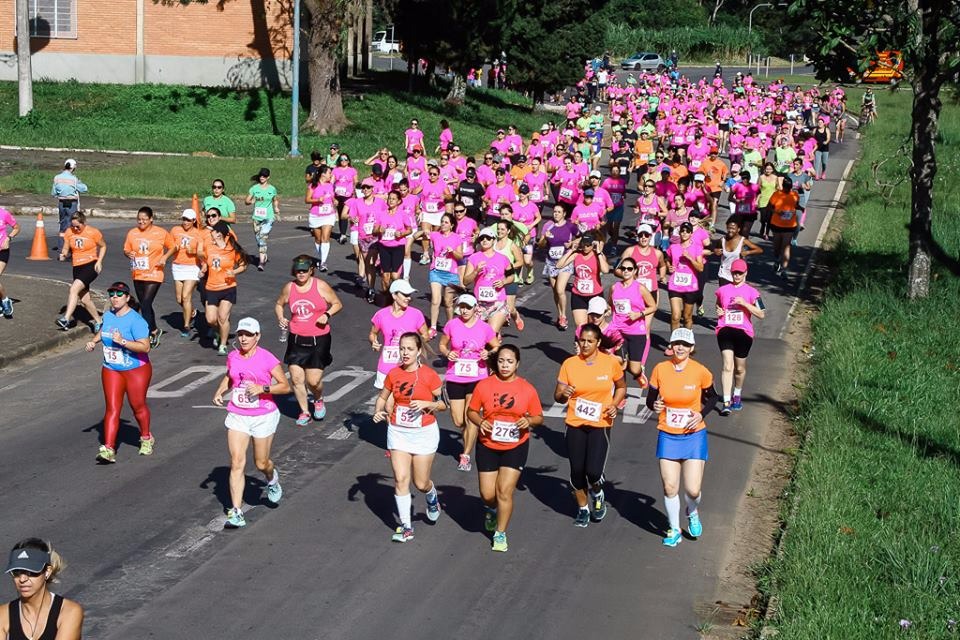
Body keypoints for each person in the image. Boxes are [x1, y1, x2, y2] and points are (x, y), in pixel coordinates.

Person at [213, 317, 291, 529]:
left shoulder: (267, 359)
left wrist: (263, 389)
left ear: (257, 336)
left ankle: (272, 479)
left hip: (263, 415)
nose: (243, 338)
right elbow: (231, 377)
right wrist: (220, 391)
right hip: (238, 415)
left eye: (248, 335)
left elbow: (285, 386)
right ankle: (236, 511)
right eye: (240, 334)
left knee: (260, 463)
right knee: (237, 462)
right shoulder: (233, 356)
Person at [645, 328, 719, 547]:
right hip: (668, 434)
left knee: (693, 490)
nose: (680, 348)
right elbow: (651, 400)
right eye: (677, 343)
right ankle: (674, 529)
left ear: (691, 348)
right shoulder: (660, 369)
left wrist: (700, 414)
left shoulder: (700, 372)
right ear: (671, 345)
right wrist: (654, 405)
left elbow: (713, 398)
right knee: (670, 487)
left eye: (685, 345)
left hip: (694, 435)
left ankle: (692, 511)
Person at [467, 344, 544, 552]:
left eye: (509, 361)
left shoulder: (527, 389)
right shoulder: (484, 385)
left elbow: (538, 416)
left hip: (515, 446)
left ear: (517, 364)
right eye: (501, 361)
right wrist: (480, 421)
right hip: (488, 444)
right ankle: (491, 510)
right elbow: (472, 411)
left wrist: (529, 422)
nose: (504, 365)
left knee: (504, 491)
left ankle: (500, 533)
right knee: (487, 494)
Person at [372, 332, 446, 543]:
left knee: (420, 483)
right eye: (402, 349)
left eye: (409, 349)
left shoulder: (429, 376)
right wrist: (378, 411)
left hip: (424, 433)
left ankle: (431, 496)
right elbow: (382, 397)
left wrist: (428, 404)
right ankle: (406, 526)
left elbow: (444, 404)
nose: (405, 353)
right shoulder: (394, 374)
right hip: (398, 432)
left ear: (419, 351)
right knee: (401, 479)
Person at [554, 323, 627, 527]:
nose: (584, 345)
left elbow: (621, 387)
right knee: (577, 471)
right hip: (575, 423)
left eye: (589, 341)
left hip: (600, 422)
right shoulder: (570, 364)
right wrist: (563, 394)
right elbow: (558, 395)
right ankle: (583, 509)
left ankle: (597, 492)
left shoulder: (610, 363)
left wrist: (614, 405)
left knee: (593, 472)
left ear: (598, 343)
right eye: (582, 341)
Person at [84, 281, 153, 463]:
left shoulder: (137, 321)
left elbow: (145, 347)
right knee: (112, 409)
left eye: (119, 294)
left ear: (128, 298)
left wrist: (123, 341)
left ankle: (146, 437)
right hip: (111, 369)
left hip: (136, 369)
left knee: (137, 406)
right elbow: (103, 331)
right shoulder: (108, 316)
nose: (115, 297)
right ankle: (109, 448)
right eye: (112, 294)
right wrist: (94, 341)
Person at [276, 255, 343, 426]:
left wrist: (327, 315)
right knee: (297, 379)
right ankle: (304, 412)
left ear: (311, 270)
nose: (301, 274)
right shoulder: (289, 288)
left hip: (318, 339)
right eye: (298, 271)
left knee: (313, 381)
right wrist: (281, 317)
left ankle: (318, 399)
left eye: (304, 270)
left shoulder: (320, 286)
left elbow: (337, 303)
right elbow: (279, 303)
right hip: (296, 338)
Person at [439, 293, 500, 473]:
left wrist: (488, 354)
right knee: (459, 421)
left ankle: (465, 454)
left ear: (476, 309)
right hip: (456, 375)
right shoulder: (452, 325)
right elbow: (442, 345)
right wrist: (447, 353)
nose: (464, 310)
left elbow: (496, 346)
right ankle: (470, 435)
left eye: (467, 307)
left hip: (478, 376)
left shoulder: (484, 328)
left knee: (471, 417)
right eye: (461, 307)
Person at [1, 538, 84, 639]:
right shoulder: (3, 615)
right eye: (16, 572)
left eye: (31, 572)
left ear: (47, 572)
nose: (22, 579)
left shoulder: (69, 611)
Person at [715, 259, 765, 415]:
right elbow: (718, 304)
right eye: (734, 272)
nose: (737, 275)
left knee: (739, 369)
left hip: (744, 333)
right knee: (727, 366)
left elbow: (761, 314)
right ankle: (726, 401)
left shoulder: (753, 292)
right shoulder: (723, 290)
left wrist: (745, 304)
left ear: (745, 273)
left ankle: (737, 394)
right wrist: (719, 311)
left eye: (740, 273)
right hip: (725, 329)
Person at [123, 206, 175, 348]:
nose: (141, 222)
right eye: (139, 220)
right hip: (138, 272)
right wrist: (129, 254)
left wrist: (164, 257)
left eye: (144, 220)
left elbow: (173, 246)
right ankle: (154, 330)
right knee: (146, 304)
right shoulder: (132, 233)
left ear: (151, 219)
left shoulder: (161, 233)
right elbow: (126, 249)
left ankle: (149, 332)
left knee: (145, 303)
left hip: (154, 272)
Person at [369, 279, 431, 389]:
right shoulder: (381, 315)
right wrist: (374, 342)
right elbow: (373, 333)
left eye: (409, 295)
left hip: (409, 367)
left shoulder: (416, 314)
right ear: (394, 295)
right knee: (386, 404)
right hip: (386, 366)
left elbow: (426, 335)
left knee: (405, 403)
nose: (409, 298)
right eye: (405, 295)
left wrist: (414, 345)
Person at [202, 221, 250, 355]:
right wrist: (203, 268)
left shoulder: (231, 249)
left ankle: (223, 344)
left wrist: (234, 272)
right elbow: (206, 261)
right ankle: (219, 332)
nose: (211, 234)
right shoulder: (209, 247)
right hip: (211, 288)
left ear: (220, 234)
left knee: (223, 317)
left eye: (214, 232)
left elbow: (243, 265)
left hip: (228, 287)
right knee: (211, 319)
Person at [609, 256, 657, 388]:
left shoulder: (640, 288)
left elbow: (653, 306)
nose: (626, 271)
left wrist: (639, 314)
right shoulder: (614, 287)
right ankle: (620, 394)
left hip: (636, 331)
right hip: (618, 330)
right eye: (623, 268)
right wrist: (607, 311)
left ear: (635, 271)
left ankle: (638, 374)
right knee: (619, 364)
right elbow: (610, 305)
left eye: (629, 269)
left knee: (634, 368)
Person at [57, 212, 105, 332]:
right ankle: (99, 321)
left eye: (78, 226)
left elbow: (103, 246)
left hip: (90, 265)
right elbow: (66, 247)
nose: (75, 229)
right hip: (77, 267)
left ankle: (66, 319)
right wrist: (63, 254)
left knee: (73, 289)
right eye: (73, 226)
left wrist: (99, 261)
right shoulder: (69, 232)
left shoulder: (93, 232)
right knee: (84, 299)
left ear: (84, 223)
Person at [463, 227, 514, 335]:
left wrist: (504, 282)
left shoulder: (503, 258)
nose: (485, 240)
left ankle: (496, 335)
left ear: (493, 240)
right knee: (479, 334)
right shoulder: (473, 258)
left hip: (498, 302)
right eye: (482, 238)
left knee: (491, 333)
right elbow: (466, 281)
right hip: (480, 303)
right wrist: (476, 271)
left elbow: (511, 277)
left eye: (488, 238)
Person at [422, 212, 463, 336]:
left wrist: (453, 252)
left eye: (446, 222)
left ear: (451, 225)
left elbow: (460, 256)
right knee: (435, 300)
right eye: (442, 222)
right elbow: (423, 234)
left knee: (448, 303)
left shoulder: (457, 238)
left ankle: (450, 326)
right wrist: (420, 232)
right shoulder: (435, 235)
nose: (443, 224)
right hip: (436, 272)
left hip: (450, 273)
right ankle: (433, 327)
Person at [538, 204, 578, 330]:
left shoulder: (570, 226)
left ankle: (564, 316)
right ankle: (560, 314)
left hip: (565, 261)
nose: (556, 214)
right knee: (555, 291)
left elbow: (581, 236)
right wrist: (545, 237)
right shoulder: (548, 226)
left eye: (559, 212)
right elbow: (540, 244)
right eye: (554, 211)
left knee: (561, 290)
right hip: (551, 262)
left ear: (564, 214)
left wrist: (572, 243)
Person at [556, 233, 609, 327]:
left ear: (593, 244)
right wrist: (570, 251)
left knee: (595, 326)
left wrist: (599, 252)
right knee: (581, 326)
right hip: (578, 295)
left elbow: (605, 270)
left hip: (595, 295)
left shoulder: (598, 256)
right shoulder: (577, 254)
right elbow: (559, 265)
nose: (585, 247)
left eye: (588, 245)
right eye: (584, 244)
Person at [170, 208, 204, 337]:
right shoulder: (175, 230)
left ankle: (186, 325)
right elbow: (170, 245)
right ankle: (193, 313)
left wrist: (193, 252)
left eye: (188, 220)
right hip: (178, 266)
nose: (185, 222)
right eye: (184, 219)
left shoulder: (198, 234)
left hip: (192, 267)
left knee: (186, 296)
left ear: (194, 221)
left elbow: (202, 252)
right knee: (179, 299)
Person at [666, 222, 704, 331]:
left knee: (687, 317)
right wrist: (669, 267)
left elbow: (700, 268)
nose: (684, 233)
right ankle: (674, 343)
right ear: (679, 232)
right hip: (675, 285)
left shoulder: (697, 248)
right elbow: (667, 260)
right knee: (675, 317)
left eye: (687, 231)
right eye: (682, 231)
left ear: (691, 233)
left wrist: (690, 258)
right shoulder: (673, 247)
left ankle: (687, 340)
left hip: (690, 287)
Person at [245, 167, 279, 270]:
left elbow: (275, 200)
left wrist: (276, 207)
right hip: (257, 217)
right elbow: (246, 201)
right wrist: (251, 201)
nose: (262, 178)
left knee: (263, 238)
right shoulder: (254, 188)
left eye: (264, 176)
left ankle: (261, 262)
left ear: (268, 177)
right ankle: (263, 254)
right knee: (258, 239)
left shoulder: (272, 189)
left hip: (268, 217)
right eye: (261, 176)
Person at [305, 164, 337, 272]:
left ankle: (323, 263)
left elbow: (332, 197)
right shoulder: (313, 186)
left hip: (329, 215)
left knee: (325, 238)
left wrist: (334, 201)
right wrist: (318, 200)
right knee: (318, 239)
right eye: (329, 173)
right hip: (316, 215)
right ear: (323, 174)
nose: (330, 175)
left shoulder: (330, 185)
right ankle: (321, 257)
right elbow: (307, 200)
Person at [51, 159, 87, 252]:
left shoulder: (57, 177)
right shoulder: (74, 179)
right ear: (73, 167)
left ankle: (61, 247)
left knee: (63, 224)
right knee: (73, 224)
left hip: (62, 203)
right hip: (72, 203)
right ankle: (72, 246)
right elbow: (84, 189)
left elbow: (53, 193)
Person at [715, 217, 762, 286]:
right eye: (729, 228)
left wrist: (747, 252)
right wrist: (716, 251)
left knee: (736, 296)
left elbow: (759, 250)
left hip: (738, 275)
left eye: (733, 229)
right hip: (724, 274)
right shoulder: (722, 240)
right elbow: (716, 249)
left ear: (738, 229)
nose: (730, 230)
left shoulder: (742, 240)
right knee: (724, 296)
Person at [0, 206, 21, 318]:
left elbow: (17, 227)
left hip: (2, 251)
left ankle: (5, 301)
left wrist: (8, 238)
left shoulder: (4, 213)